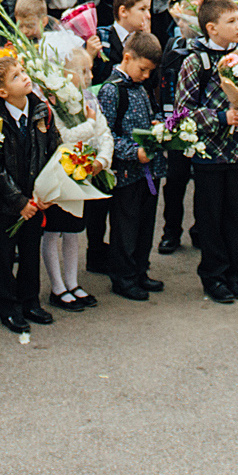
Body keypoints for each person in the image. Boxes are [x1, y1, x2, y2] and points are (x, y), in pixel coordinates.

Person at [169, 0, 238, 304]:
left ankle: (234, 274)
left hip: (236, 151)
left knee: (233, 215)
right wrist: (221, 117)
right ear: (211, 28)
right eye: (231, 22)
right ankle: (213, 275)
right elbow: (182, 111)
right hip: (208, 153)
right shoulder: (196, 61)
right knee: (210, 215)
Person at [0, 54, 53, 333]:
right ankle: (7, 306)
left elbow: (51, 149)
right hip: (5, 203)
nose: (24, 77)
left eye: (22, 71)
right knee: (5, 254)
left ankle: (30, 300)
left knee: (31, 251)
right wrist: (18, 201)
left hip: (36, 198)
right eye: (15, 77)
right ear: (2, 92)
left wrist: (46, 190)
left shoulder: (42, 110)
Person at [97, 32, 162, 302]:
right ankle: (123, 277)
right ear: (127, 57)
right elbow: (106, 135)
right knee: (126, 225)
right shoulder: (112, 90)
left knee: (146, 223)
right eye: (143, 69)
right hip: (126, 173)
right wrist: (134, 151)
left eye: (149, 71)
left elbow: (152, 112)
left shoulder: (140, 87)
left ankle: (140, 269)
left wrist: (158, 123)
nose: (146, 76)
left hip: (148, 171)